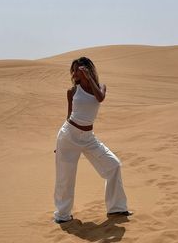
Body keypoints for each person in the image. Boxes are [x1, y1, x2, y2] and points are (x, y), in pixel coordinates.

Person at [54, 57, 132, 223]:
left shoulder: (100, 87)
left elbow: (100, 98)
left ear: (87, 69)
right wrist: (59, 144)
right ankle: (62, 216)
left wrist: (89, 78)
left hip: (88, 138)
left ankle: (117, 209)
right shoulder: (72, 91)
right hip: (69, 135)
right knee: (65, 177)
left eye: (78, 69)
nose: (74, 73)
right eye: (73, 70)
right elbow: (68, 116)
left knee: (113, 165)